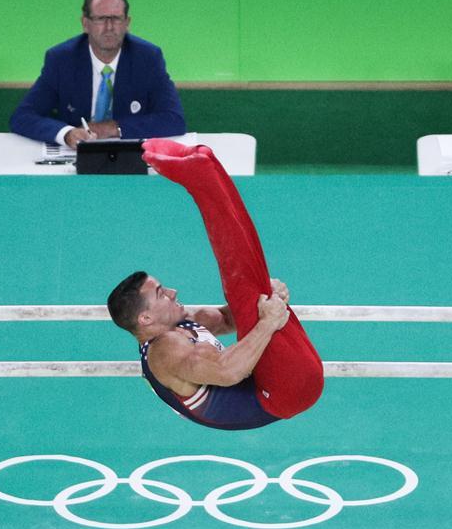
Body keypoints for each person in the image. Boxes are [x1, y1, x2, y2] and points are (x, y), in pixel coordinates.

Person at [107, 140, 324, 430]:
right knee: (241, 281)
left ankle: (207, 164)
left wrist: (269, 298)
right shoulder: (165, 352)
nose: (173, 292)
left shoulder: (184, 324)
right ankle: (198, 178)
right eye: (161, 294)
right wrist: (267, 322)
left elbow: (227, 318)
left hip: (285, 382)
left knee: (252, 290)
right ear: (145, 318)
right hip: (280, 396)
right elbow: (229, 370)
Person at [10, 0, 186, 147]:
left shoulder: (147, 58)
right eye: (101, 19)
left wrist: (112, 128)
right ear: (85, 24)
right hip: (74, 160)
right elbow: (23, 117)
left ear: (127, 23)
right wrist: (66, 134)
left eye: (116, 19)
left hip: (129, 161)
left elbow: (174, 119)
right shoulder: (62, 59)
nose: (109, 27)